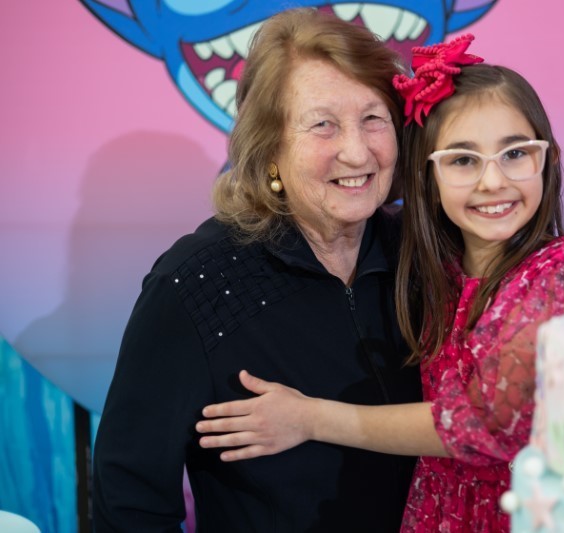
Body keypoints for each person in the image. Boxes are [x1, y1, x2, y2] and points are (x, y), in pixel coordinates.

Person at [197, 34, 564, 532]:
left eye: (515, 154)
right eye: (462, 160)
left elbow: (487, 423)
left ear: (549, 158)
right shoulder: (435, 272)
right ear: (426, 179)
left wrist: (311, 419)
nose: (493, 181)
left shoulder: (560, 272)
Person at [91, 8, 421, 532]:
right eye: (323, 125)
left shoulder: (425, 258)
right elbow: (128, 499)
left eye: (372, 118)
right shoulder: (197, 283)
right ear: (269, 149)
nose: (357, 151)